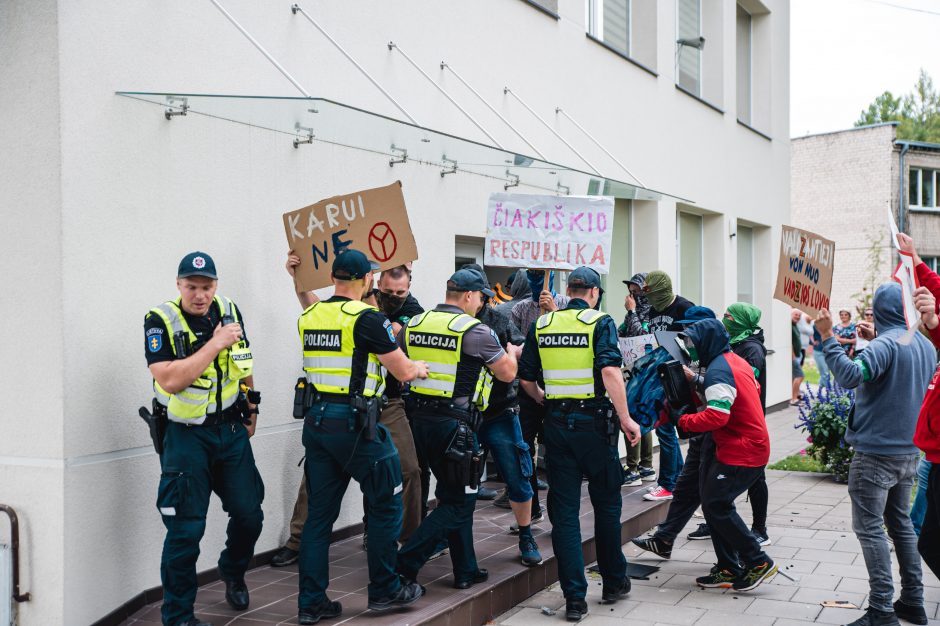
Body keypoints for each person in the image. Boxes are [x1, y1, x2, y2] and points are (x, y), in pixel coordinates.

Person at [295, 249, 429, 623]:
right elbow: (400, 371)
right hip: (355, 423)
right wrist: (417, 367)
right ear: (367, 279)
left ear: (335, 278)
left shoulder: (310, 315)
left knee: (319, 517)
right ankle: (385, 589)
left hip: (317, 421)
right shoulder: (368, 319)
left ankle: (311, 602)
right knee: (386, 502)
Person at [270, 260, 425, 567]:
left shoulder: (412, 310)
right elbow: (317, 310)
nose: (395, 295)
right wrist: (299, 276)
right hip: (345, 409)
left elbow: (399, 350)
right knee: (317, 478)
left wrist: (401, 336)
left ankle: (409, 541)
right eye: (388, 289)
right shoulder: (360, 311)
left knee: (408, 471)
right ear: (373, 281)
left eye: (401, 291)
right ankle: (299, 540)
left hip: (386, 403)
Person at [144, 252, 263, 626]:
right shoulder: (159, 320)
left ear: (216, 286)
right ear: (178, 285)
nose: (200, 295)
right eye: (192, 286)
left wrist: (252, 406)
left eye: (207, 287)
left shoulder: (229, 310)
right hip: (185, 437)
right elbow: (170, 380)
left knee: (249, 515)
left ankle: (232, 569)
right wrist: (213, 344)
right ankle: (178, 616)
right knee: (186, 530)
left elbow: (243, 362)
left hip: (230, 431)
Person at [519, 266, 641, 622]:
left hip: (556, 426)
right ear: (594, 293)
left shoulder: (542, 324)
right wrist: (626, 418)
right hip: (595, 426)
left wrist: (546, 398)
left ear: (569, 290)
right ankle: (614, 581)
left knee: (566, 514)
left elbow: (526, 377)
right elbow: (609, 371)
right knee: (606, 505)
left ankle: (574, 599)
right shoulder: (599, 323)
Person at [816, 281, 934, 626]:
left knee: (870, 529)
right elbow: (890, 374)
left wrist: (827, 338)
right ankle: (913, 600)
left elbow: (851, 377)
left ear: (880, 310)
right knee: (901, 526)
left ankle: (881, 610)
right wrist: (873, 339)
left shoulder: (885, 345)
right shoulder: (923, 344)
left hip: (876, 454)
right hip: (909, 452)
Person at [396, 269, 518, 589]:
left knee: (454, 494)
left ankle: (466, 570)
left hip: (417, 422)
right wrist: (514, 353)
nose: (481, 304)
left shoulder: (415, 324)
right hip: (453, 426)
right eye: (480, 297)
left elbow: (397, 362)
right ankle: (404, 564)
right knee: (458, 502)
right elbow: (506, 374)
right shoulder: (473, 330)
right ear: (467, 296)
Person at [675, 319, 775, 592]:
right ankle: (729, 566)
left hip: (743, 449)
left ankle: (757, 561)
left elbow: (718, 415)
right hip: (739, 445)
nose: (689, 347)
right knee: (712, 504)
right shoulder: (730, 360)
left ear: (707, 342)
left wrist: (684, 421)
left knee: (717, 505)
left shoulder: (720, 369)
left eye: (693, 342)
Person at [459, 264, 542, 565]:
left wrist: (511, 353)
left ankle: (526, 535)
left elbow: (519, 347)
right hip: (462, 416)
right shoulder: (448, 322)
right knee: (459, 483)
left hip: (500, 412)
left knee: (518, 477)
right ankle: (459, 542)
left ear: (478, 297)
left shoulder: (499, 318)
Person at [898, 232, 940, 625]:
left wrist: (827, 337)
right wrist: (916, 262)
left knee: (925, 535)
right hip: (931, 452)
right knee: (921, 529)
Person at [511, 270, 569, 519]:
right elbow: (515, 343)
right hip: (528, 384)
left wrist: (554, 312)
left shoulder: (566, 303)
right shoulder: (520, 309)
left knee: (557, 451)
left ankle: (558, 510)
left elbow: (570, 336)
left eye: (541, 276)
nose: (537, 281)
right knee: (524, 447)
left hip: (558, 384)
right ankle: (531, 508)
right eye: (532, 276)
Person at [641, 270, 693, 501]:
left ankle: (669, 484)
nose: (652, 304)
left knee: (666, 431)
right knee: (664, 429)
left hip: (680, 377)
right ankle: (678, 480)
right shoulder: (653, 310)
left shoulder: (685, 308)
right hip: (658, 376)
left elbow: (697, 341)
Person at [619, 272, 656, 487]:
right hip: (633, 368)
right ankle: (642, 466)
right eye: (630, 290)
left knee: (638, 417)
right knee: (640, 417)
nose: (632, 294)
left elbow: (641, 336)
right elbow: (623, 332)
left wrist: (631, 311)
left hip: (646, 370)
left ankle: (637, 468)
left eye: (636, 290)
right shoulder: (633, 313)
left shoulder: (650, 312)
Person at [811, 322, 831, 388]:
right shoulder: (815, 325)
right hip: (818, 351)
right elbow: (808, 333)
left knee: (825, 372)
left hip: (828, 351)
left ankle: (820, 390)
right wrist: (812, 342)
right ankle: (829, 391)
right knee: (825, 372)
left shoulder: (829, 324)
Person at [791, 309, 804, 406]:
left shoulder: (794, 325)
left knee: (794, 377)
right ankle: (794, 399)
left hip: (798, 355)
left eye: (799, 315)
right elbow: (789, 342)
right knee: (800, 376)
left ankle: (796, 395)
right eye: (796, 314)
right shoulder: (790, 326)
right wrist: (793, 357)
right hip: (793, 356)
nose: (797, 317)